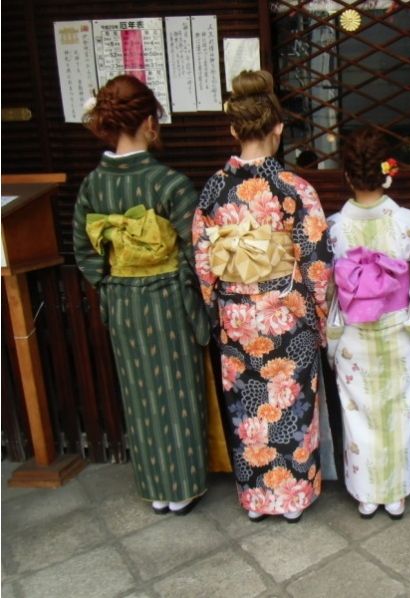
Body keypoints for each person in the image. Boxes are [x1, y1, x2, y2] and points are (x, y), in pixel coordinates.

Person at [192, 70, 331, 523]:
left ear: (235, 130)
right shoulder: (295, 189)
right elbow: (316, 263)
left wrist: (218, 309)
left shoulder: (214, 189)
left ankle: (255, 499)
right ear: (278, 129)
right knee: (290, 401)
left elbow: (204, 259)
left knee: (248, 405)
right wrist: (320, 317)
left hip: (236, 315)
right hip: (286, 315)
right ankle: (289, 498)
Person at [74, 75, 209, 515]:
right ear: (150, 121)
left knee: (140, 395)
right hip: (168, 296)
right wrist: (192, 297)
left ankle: (156, 488)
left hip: (124, 302)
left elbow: (84, 248)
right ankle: (182, 486)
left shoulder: (94, 185)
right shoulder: (170, 183)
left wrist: (112, 284)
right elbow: (197, 252)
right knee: (176, 390)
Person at [326, 127, 410, 520]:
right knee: (400, 411)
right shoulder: (409, 223)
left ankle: (365, 494)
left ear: (347, 176)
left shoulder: (334, 228)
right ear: (387, 173)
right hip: (399, 333)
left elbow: (326, 290)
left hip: (353, 337)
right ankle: (394, 495)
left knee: (357, 412)